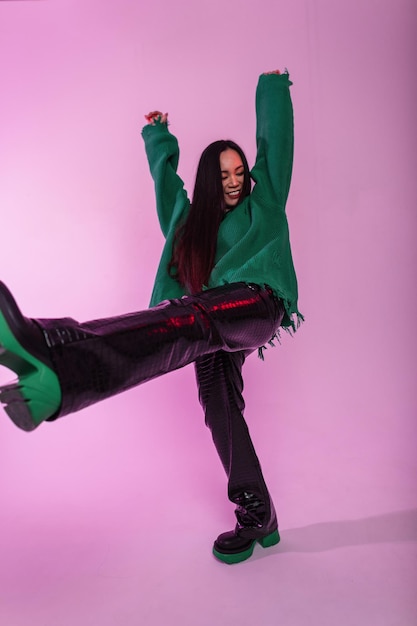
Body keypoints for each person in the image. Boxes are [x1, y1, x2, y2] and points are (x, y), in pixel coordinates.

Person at [0, 69, 302, 564]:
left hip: (256, 302)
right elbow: (168, 187)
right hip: (207, 319)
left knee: (189, 318)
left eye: (238, 171)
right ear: (210, 180)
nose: (233, 181)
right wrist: (160, 137)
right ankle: (258, 514)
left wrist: (271, 89)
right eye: (222, 174)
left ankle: (54, 347)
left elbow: (275, 145)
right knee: (217, 401)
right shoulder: (191, 225)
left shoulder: (264, 201)